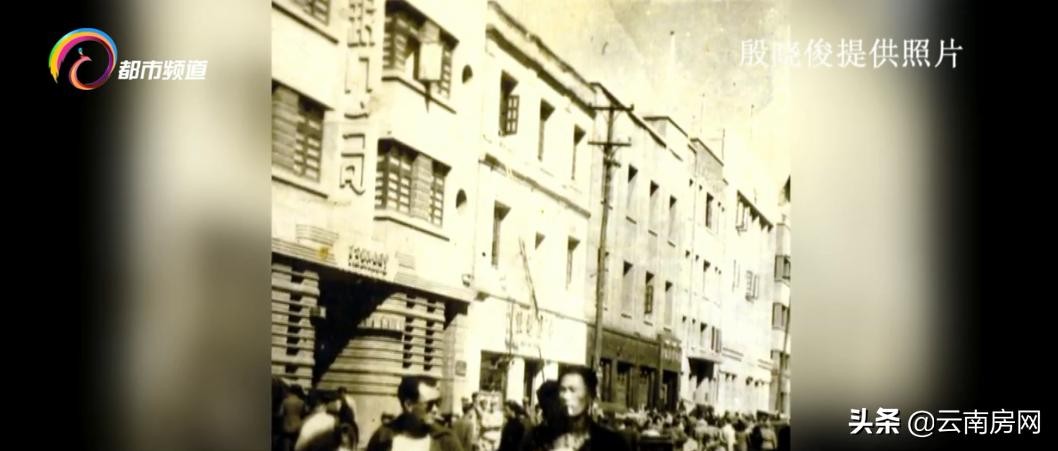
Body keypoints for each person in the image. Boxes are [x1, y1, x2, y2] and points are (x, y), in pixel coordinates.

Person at [520, 367, 630, 451]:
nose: (566, 396)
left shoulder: (610, 441)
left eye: (572, 390)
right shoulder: (537, 437)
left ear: (590, 396)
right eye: (562, 390)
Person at [366, 375, 464, 451]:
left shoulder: (446, 440)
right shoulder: (382, 437)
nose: (435, 409)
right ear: (409, 405)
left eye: (437, 403)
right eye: (430, 404)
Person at [280, 385, 307, 451]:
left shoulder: (285, 401)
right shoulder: (301, 402)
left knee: (286, 447)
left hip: (287, 426)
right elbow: (304, 414)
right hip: (298, 426)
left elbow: (280, 413)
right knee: (295, 447)